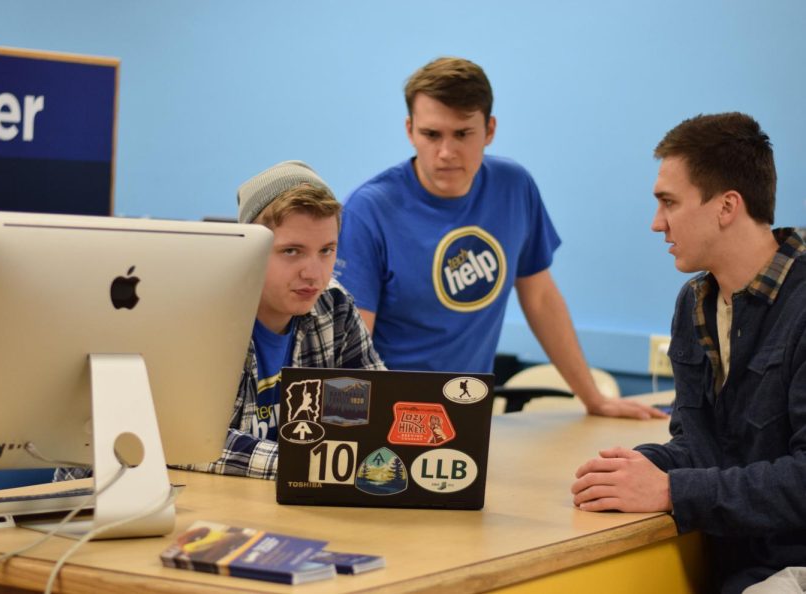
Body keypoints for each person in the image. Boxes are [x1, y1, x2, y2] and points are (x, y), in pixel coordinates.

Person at [335, 56, 662, 420]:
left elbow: (539, 297)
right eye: (431, 134)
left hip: (469, 412)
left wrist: (593, 398)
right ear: (410, 130)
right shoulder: (367, 210)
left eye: (462, 134)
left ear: (489, 130)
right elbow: (352, 342)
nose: (446, 152)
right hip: (388, 415)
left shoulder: (513, 186)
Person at [571, 112, 806, 594]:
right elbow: (702, 447)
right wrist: (633, 469)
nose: (656, 223)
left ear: (726, 207)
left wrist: (669, 489)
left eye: (668, 203)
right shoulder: (694, 304)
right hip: (737, 569)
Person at [57, 161, 384, 482]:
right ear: (249, 249)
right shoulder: (199, 312)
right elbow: (184, 440)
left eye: (326, 250)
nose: (314, 273)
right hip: (110, 499)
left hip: (255, 502)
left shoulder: (334, 306)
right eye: (292, 252)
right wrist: (309, 461)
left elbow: (377, 409)